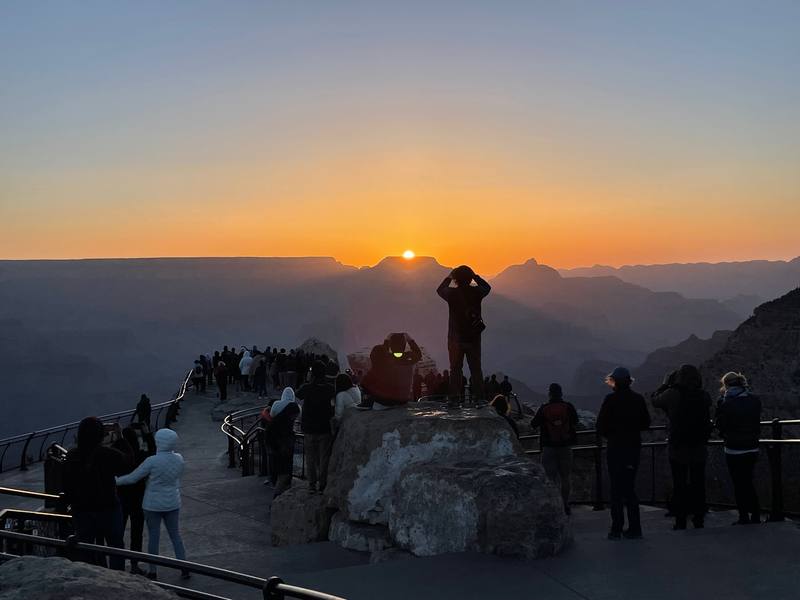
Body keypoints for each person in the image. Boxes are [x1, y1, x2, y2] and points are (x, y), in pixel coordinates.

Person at [116, 428, 189, 580]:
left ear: (159, 442)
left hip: (152, 504)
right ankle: (185, 568)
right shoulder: (179, 458)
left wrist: (116, 481)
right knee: (175, 535)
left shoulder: (152, 461)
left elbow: (132, 478)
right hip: (173, 502)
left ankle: (153, 571)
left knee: (153, 537)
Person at [63, 417, 133, 570]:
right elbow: (128, 462)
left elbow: (66, 483)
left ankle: (90, 576)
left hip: (81, 511)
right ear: (101, 434)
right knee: (115, 547)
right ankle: (118, 578)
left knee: (86, 546)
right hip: (108, 509)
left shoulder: (72, 456)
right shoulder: (107, 454)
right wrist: (119, 436)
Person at [652, 364, 712, 529]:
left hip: (678, 447)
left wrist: (665, 384)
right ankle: (699, 518)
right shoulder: (704, 396)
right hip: (699, 447)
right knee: (698, 483)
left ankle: (680, 521)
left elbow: (655, 400)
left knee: (680, 484)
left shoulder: (673, 394)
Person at [596, 367, 651, 540]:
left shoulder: (610, 400)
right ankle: (635, 528)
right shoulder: (638, 399)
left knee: (616, 490)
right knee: (629, 489)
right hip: (633, 448)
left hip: (615, 449)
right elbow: (646, 423)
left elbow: (600, 426)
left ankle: (616, 528)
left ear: (614, 381)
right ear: (629, 381)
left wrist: (612, 435)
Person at [436, 265, 491, 404]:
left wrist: (449, 277)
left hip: (455, 339)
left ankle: (454, 399)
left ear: (456, 279)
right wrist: (475, 276)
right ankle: (480, 399)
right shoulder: (477, 292)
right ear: (470, 278)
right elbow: (487, 288)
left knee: (455, 369)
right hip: (473, 338)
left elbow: (439, 290)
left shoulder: (452, 294)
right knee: (476, 370)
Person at [715, 371, 762, 525]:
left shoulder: (724, 403)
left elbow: (720, 426)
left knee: (739, 484)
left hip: (733, 449)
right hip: (752, 447)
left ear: (726, 385)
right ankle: (755, 515)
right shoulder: (754, 400)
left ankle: (744, 517)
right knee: (749, 482)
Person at [531, 383, 579, 515]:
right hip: (565, 446)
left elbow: (533, 424)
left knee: (550, 478)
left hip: (548, 447)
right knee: (565, 477)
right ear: (561, 393)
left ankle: (553, 505)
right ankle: (565, 504)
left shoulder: (544, 408)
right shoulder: (568, 407)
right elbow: (576, 421)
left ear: (550, 394)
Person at [295, 361, 335, 493]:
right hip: (324, 429)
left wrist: (308, 380)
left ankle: (311, 485)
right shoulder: (329, 388)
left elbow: (297, 394)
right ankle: (322, 485)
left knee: (310, 458)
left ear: (312, 374)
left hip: (309, 428)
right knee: (324, 458)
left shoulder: (307, 388)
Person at [118, 427, 152, 574]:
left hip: (121, 500)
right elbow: (152, 451)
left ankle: (117, 563)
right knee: (136, 534)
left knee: (118, 533)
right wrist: (147, 433)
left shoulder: (118, 457)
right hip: (138, 499)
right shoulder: (141, 456)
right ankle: (134, 564)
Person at [360, 333, 422, 409]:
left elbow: (380, 352)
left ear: (391, 345)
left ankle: (367, 402)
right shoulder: (409, 357)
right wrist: (410, 340)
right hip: (403, 399)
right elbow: (418, 354)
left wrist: (387, 340)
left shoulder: (387, 358)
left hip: (385, 401)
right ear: (404, 345)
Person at [268, 387, 301, 497]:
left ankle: (276, 483)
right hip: (282, 446)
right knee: (284, 471)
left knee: (276, 467)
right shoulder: (292, 412)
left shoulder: (277, 405)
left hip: (275, 445)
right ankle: (278, 493)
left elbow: (271, 415)